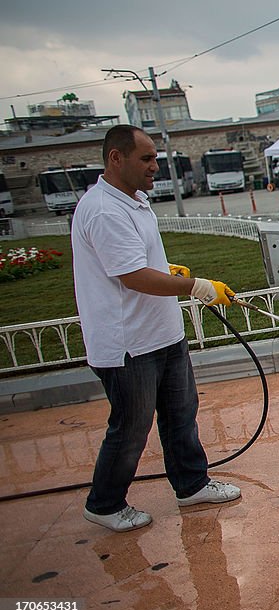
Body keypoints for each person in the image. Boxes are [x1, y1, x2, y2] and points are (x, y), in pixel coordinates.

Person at [72, 124, 241, 533]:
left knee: (181, 415)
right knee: (131, 428)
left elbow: (138, 263)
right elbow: (133, 277)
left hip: (162, 333)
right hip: (129, 343)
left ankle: (191, 485)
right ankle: (105, 503)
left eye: (155, 158)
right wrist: (195, 285)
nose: (155, 166)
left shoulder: (135, 201)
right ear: (116, 158)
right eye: (146, 158)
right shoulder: (104, 210)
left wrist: (167, 271)